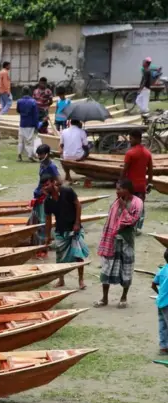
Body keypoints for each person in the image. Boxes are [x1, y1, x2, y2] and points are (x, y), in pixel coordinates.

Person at [95, 178, 143, 309]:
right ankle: (104, 298)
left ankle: (123, 297)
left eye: (119, 189)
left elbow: (133, 221)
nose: (116, 191)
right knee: (106, 267)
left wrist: (123, 207)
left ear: (126, 189)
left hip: (127, 241)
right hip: (111, 240)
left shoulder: (137, 203)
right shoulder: (116, 202)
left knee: (126, 268)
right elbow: (110, 221)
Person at [42, 174, 89, 289]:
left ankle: (81, 280)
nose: (46, 187)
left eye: (47, 184)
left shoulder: (67, 191)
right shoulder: (47, 201)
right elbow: (48, 219)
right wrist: (47, 235)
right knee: (59, 256)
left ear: (53, 182)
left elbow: (78, 205)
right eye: (43, 186)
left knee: (78, 255)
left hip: (74, 229)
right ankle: (61, 280)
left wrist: (77, 223)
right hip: (60, 230)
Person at [30, 144, 61, 251]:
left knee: (43, 221)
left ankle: (44, 245)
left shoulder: (52, 166)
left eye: (41, 154)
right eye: (38, 154)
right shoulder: (42, 164)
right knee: (37, 219)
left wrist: (50, 192)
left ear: (46, 154)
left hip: (44, 197)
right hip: (38, 195)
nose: (39, 156)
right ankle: (39, 242)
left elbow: (59, 181)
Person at [121, 129, 153, 230]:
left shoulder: (130, 153)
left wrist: (120, 182)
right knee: (140, 207)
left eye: (131, 139)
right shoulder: (147, 153)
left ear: (137, 138)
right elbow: (151, 171)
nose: (130, 141)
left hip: (130, 186)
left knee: (129, 206)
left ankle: (129, 225)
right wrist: (150, 184)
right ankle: (138, 228)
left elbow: (125, 170)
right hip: (142, 186)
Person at [152, 249, 168, 354]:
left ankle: (163, 346)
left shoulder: (162, 270)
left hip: (161, 301)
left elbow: (153, 284)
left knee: (162, 324)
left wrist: (159, 294)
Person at [16, 87, 38, 162]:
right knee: (30, 140)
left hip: (22, 123)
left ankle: (19, 155)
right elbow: (35, 115)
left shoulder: (19, 101)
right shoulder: (33, 102)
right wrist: (36, 125)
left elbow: (18, 110)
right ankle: (30, 156)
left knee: (21, 140)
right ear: (30, 92)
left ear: (22, 92)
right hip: (30, 123)